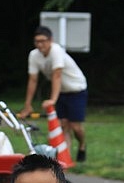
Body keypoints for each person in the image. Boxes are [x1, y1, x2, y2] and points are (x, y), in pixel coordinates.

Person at [21, 26, 88, 162]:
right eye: (37, 41)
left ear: (50, 40)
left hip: (76, 89)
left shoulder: (56, 50)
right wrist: (28, 105)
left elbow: (57, 75)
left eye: (43, 41)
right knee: (61, 125)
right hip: (61, 92)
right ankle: (64, 160)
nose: (40, 45)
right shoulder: (34, 55)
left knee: (75, 127)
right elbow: (33, 80)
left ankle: (82, 144)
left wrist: (53, 100)